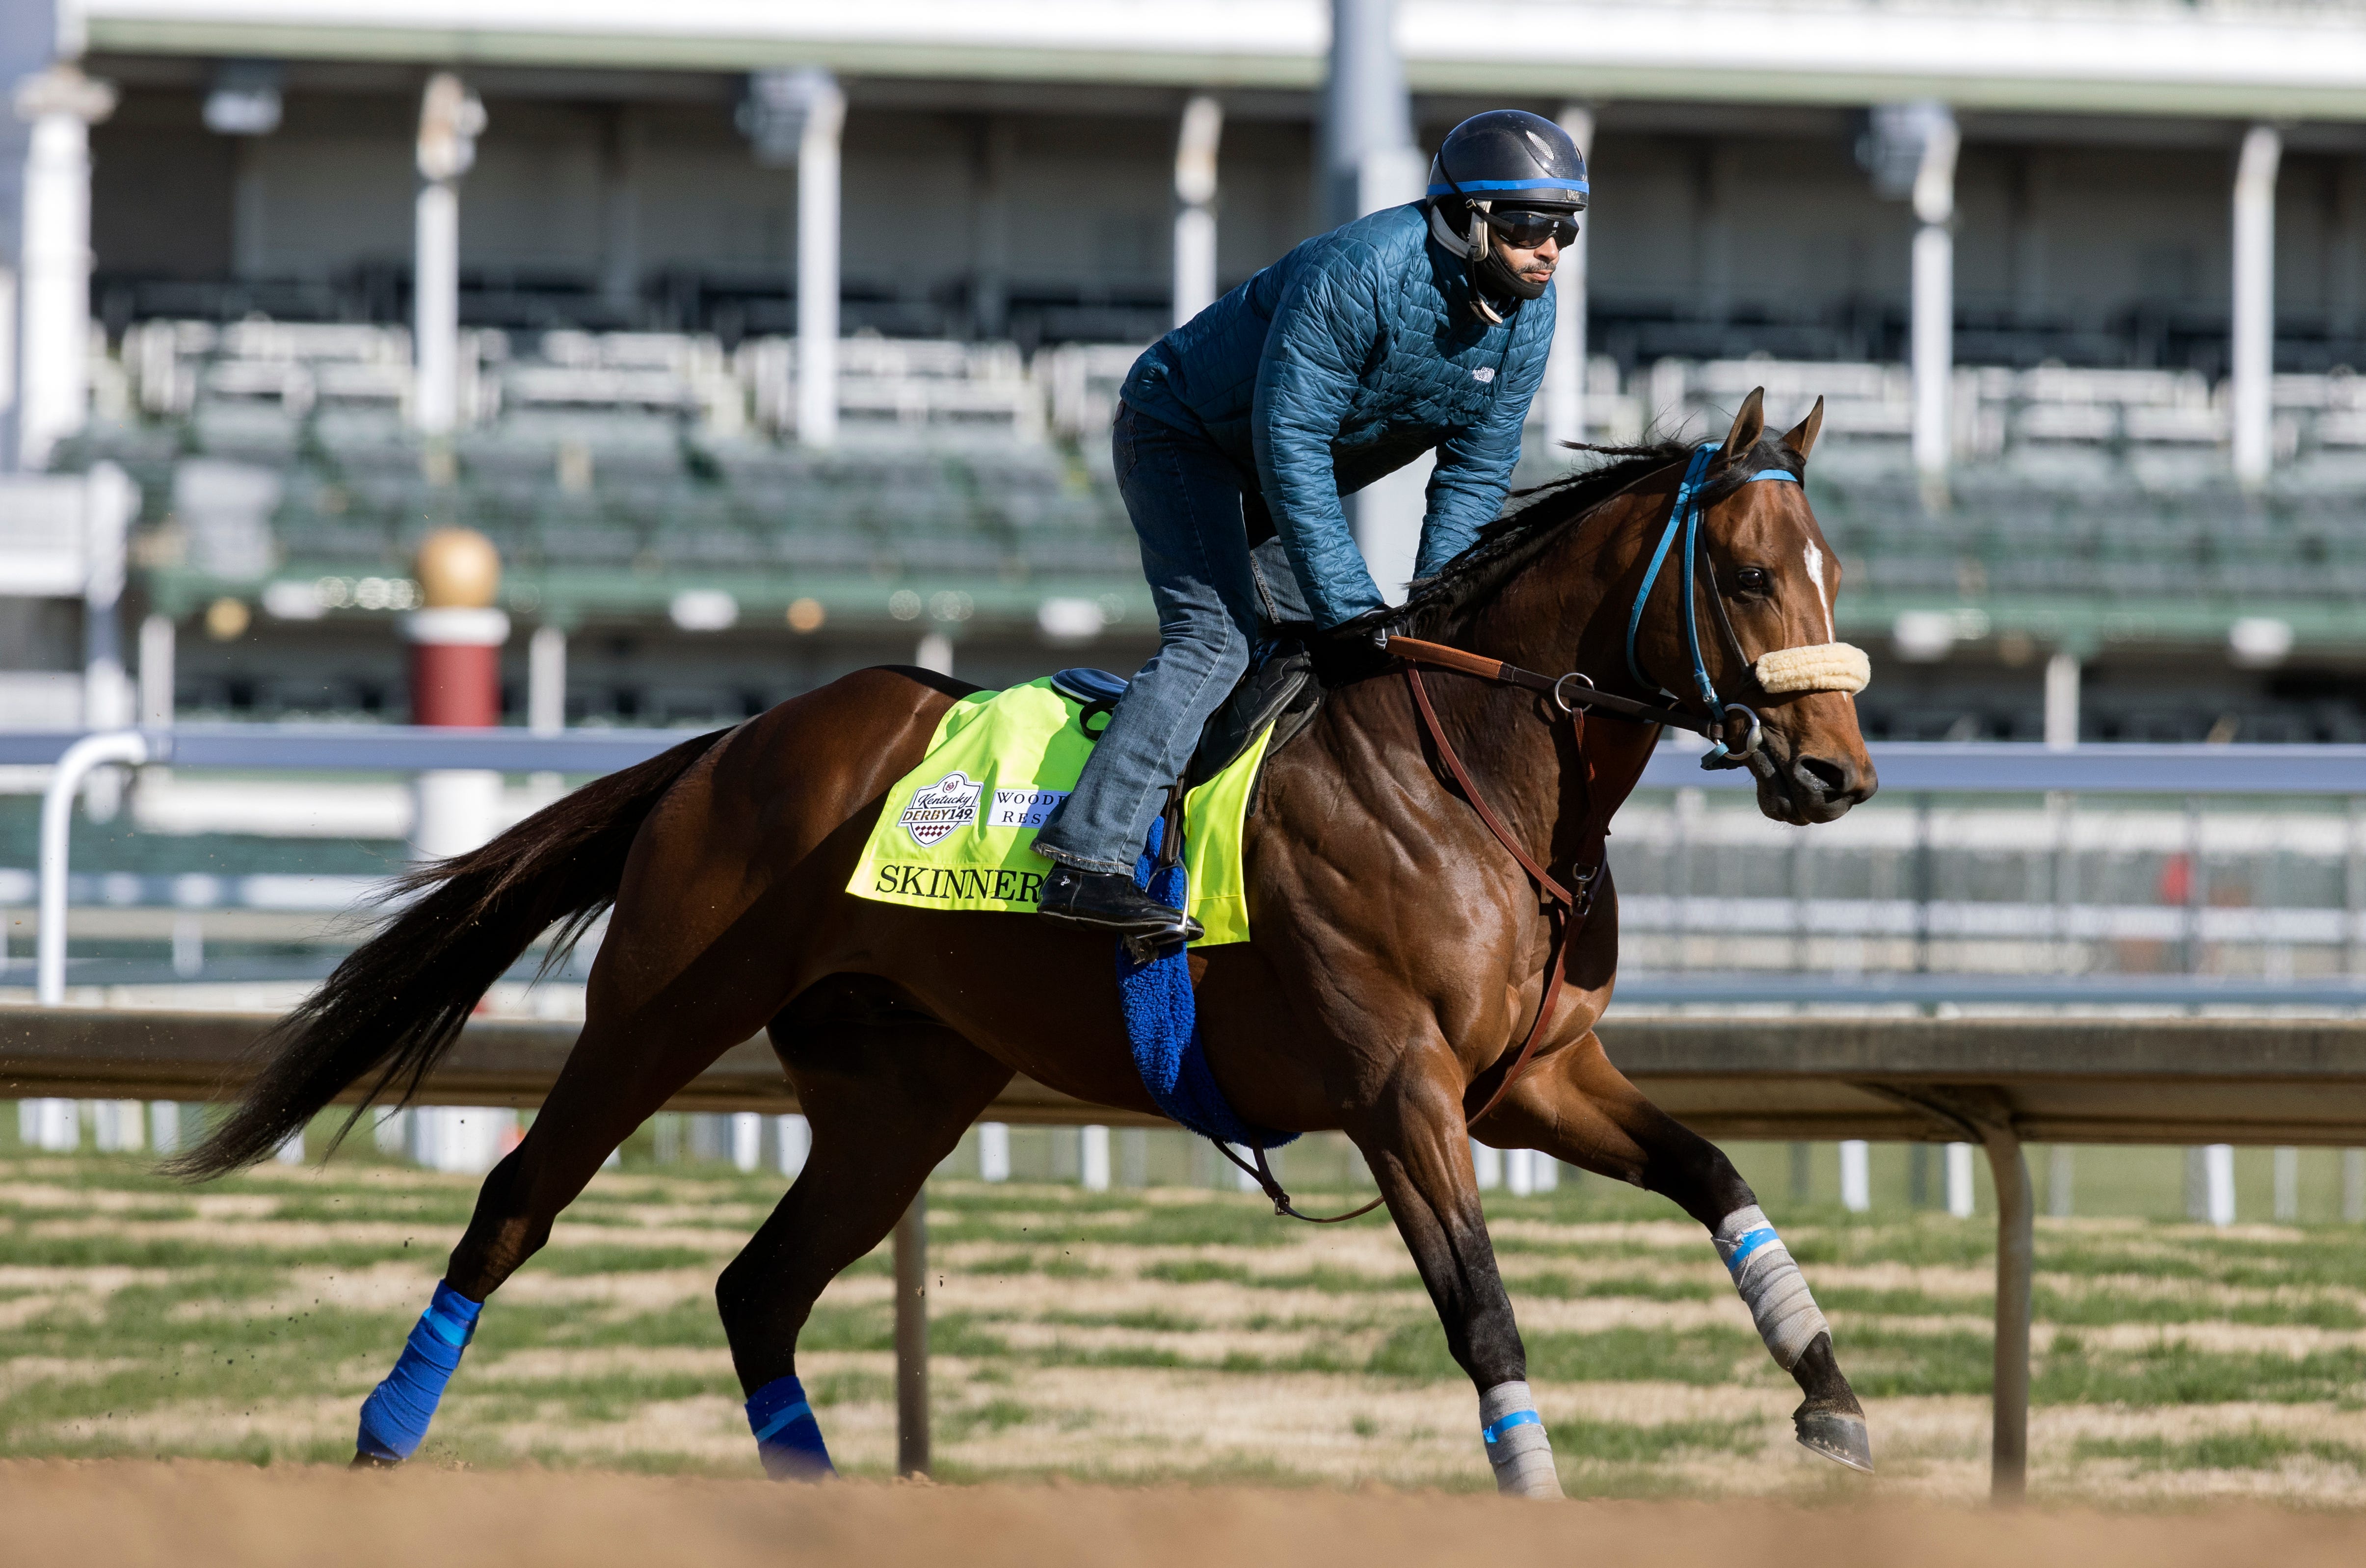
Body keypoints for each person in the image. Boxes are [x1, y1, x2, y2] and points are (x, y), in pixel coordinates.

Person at [1033, 109, 1588, 947]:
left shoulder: (1528, 317)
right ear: (1465, 217)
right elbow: (1289, 441)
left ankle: (1220, 846)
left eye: (1563, 231)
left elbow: (1472, 478)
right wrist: (1354, 609)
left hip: (1278, 463)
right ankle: (1087, 857)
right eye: (1526, 227)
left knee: (1317, 660)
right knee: (1216, 643)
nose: (1548, 250)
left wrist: (1437, 617)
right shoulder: (1359, 270)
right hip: (1181, 436)